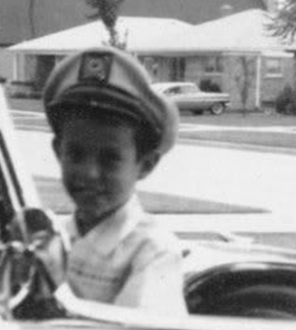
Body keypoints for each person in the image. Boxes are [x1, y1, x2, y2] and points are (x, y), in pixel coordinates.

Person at [41, 46, 187, 315]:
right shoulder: (50, 239)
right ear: (57, 151)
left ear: (145, 165)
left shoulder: (152, 251)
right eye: (75, 154)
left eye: (110, 159)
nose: (89, 173)